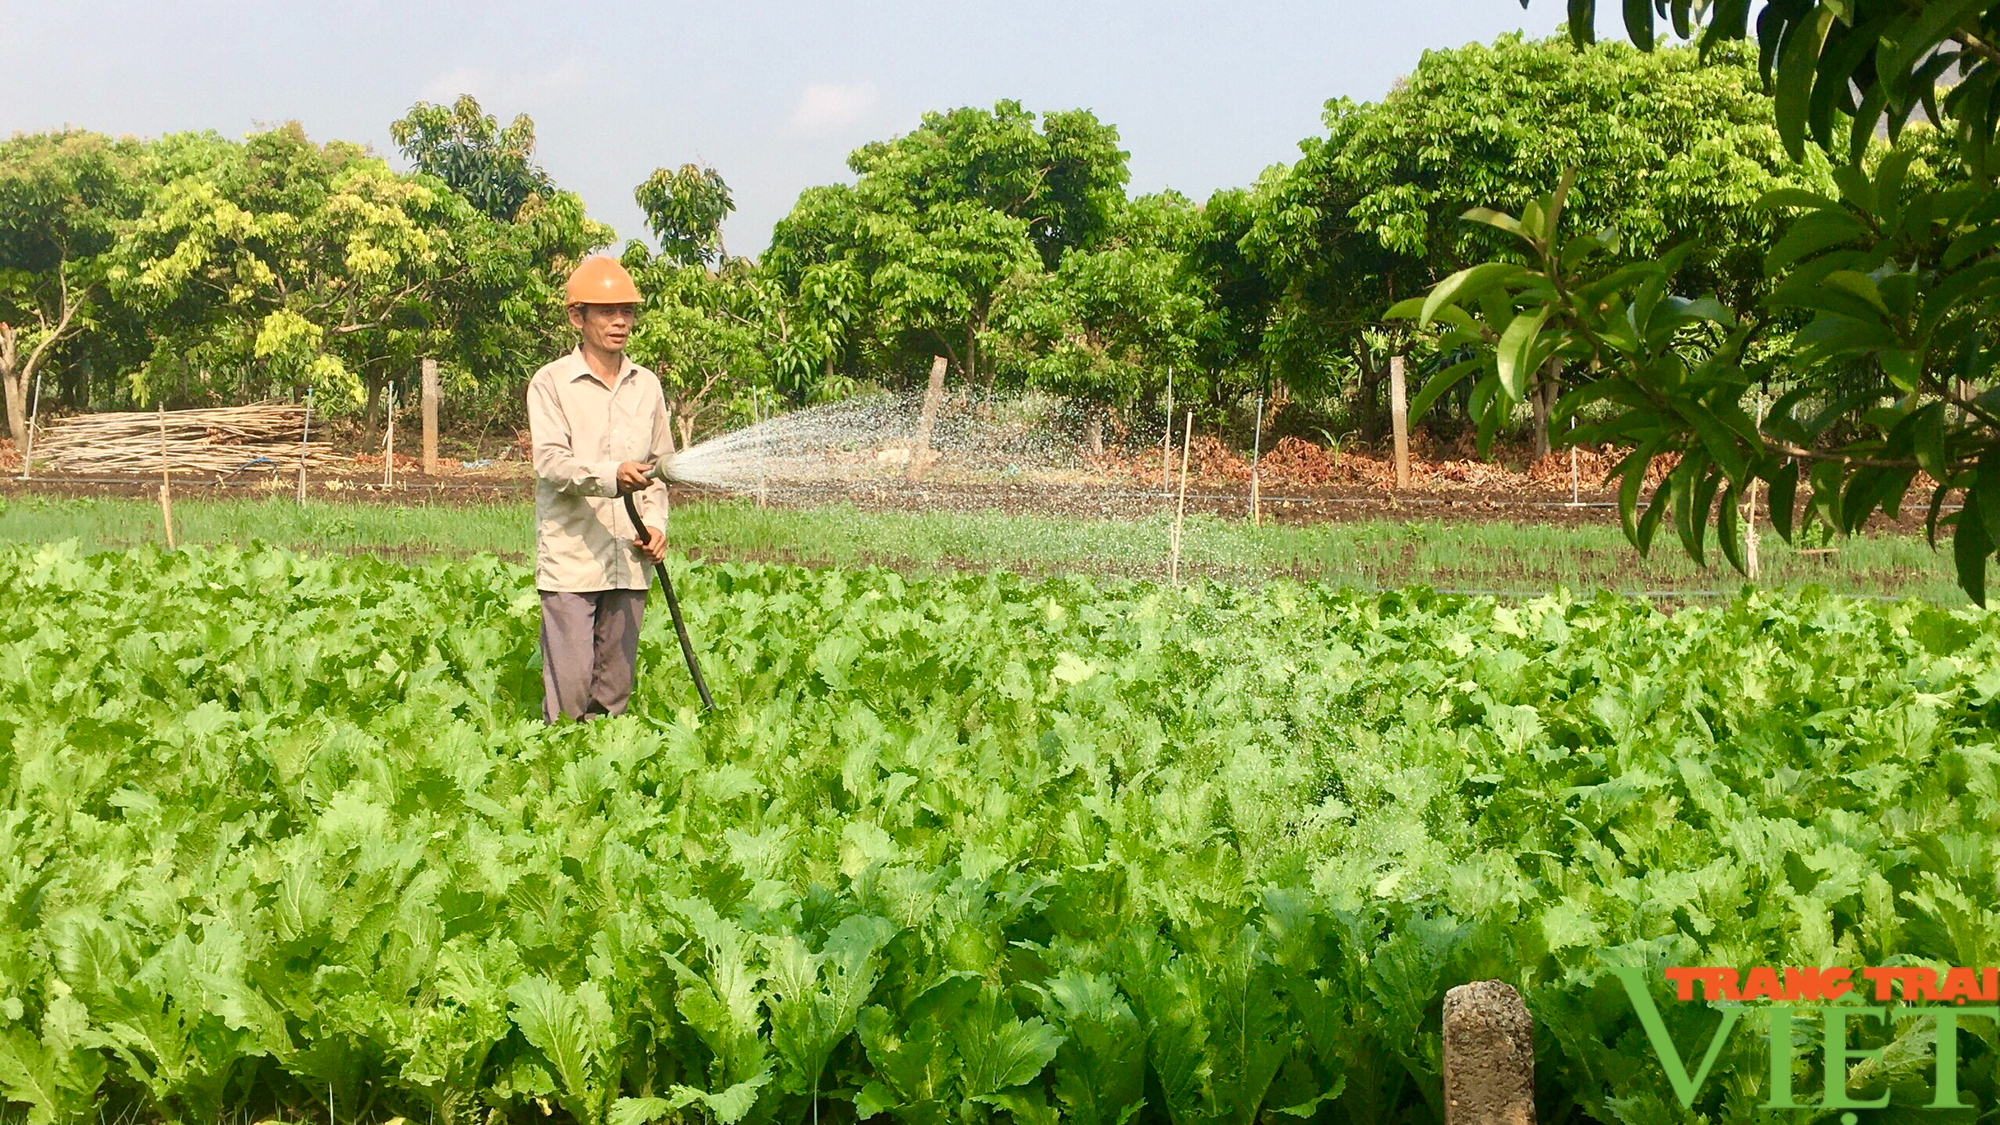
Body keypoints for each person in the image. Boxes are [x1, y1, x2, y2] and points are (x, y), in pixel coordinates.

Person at [526, 256, 673, 723]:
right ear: (577, 317)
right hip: (573, 558)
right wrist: (612, 477)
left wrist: (655, 524)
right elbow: (551, 463)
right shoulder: (550, 383)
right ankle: (561, 782)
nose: (620, 322)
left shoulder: (646, 385)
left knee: (613, 697)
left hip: (630, 560)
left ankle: (608, 786)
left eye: (627, 311)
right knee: (570, 693)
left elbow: (660, 469)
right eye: (607, 312)